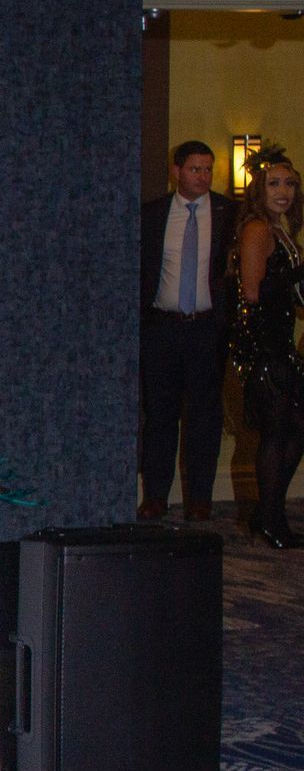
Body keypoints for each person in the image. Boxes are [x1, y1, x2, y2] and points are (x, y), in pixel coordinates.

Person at [140, 140, 236, 522]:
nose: (203, 176)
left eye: (208, 169)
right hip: (162, 328)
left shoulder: (230, 213)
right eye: (195, 169)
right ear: (177, 171)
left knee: (204, 417)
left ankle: (199, 498)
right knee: (160, 415)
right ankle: (156, 496)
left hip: (206, 329)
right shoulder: (154, 214)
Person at [228, 147, 304, 547]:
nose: (284, 191)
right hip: (263, 347)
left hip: (278, 345)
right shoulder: (258, 229)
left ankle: (268, 513)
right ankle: (271, 518)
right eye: (274, 183)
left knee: (292, 430)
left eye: (290, 183)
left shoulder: (281, 230)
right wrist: (296, 274)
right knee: (279, 432)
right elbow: (252, 293)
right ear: (259, 189)